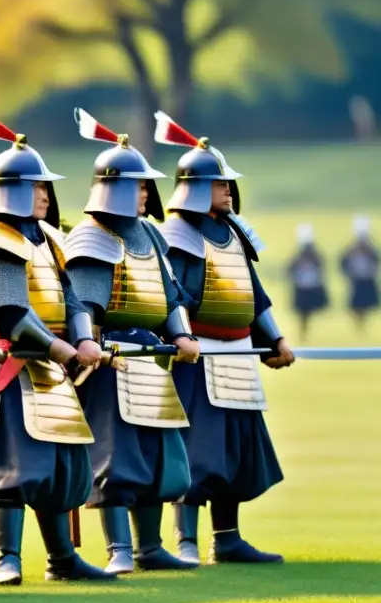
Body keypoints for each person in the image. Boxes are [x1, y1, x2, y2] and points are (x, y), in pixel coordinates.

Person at [0, 112, 114, 585]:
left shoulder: (49, 239)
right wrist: (61, 350)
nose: (46, 194)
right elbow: (9, 313)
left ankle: (62, 558)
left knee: (58, 471)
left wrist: (83, 336)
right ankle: (7, 558)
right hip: (12, 368)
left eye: (47, 187)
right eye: (37, 186)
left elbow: (70, 298)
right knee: (12, 472)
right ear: (12, 191)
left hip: (51, 369)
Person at [63, 109, 200, 574]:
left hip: (152, 360)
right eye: (139, 185)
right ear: (117, 188)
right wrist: (91, 345)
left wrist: (180, 333)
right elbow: (81, 304)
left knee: (157, 455)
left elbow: (171, 293)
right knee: (116, 457)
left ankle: (150, 547)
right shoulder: (90, 237)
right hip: (111, 359)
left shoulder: (152, 235)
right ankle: (119, 548)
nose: (147, 192)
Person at [154, 112, 293, 565]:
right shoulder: (178, 233)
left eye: (229, 184)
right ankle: (186, 541)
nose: (229, 190)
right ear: (195, 188)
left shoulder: (232, 230)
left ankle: (227, 539)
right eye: (220, 184)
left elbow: (252, 294)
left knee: (234, 451)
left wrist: (274, 340)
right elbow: (174, 295)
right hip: (196, 359)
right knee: (197, 452)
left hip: (238, 356)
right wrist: (183, 337)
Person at [287, 225, 328, 340]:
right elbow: (289, 269)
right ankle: (303, 332)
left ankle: (306, 332)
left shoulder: (315, 256)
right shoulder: (298, 257)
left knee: (309, 312)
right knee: (302, 314)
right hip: (301, 287)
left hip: (312, 287)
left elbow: (322, 267)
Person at [340, 216, 379, 327]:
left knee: (367, 302)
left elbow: (376, 261)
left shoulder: (371, 250)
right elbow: (343, 261)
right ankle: (358, 319)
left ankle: (363, 319)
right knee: (356, 302)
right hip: (356, 278)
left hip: (367, 278)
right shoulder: (351, 250)